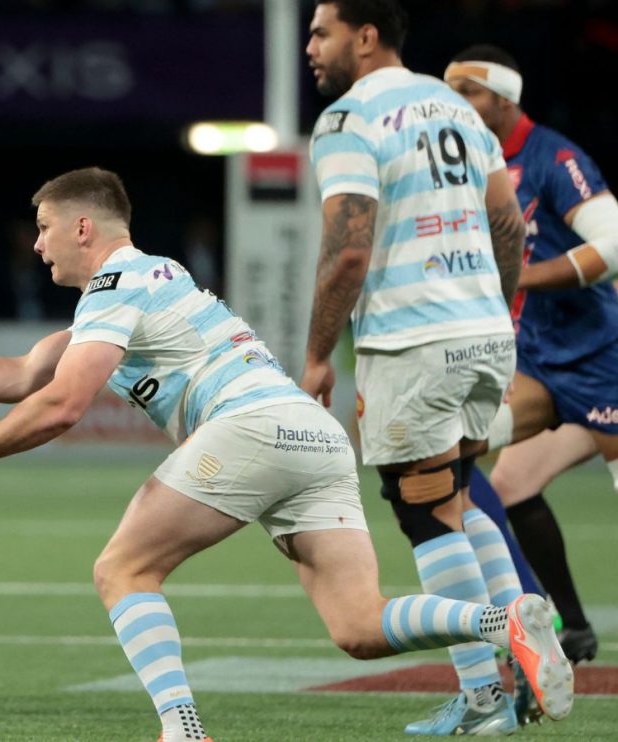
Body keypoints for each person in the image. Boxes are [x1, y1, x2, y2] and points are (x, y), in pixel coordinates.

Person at [0, 166, 572, 742]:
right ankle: (504, 620)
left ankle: (182, 730)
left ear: (82, 227)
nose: (37, 245)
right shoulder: (153, 278)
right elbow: (28, 372)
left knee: (123, 569)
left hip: (248, 427)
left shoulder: (113, 287)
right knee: (359, 626)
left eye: (43, 227)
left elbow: (62, 405)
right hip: (312, 434)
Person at [302, 1, 534, 734]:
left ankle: (484, 697)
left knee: (422, 508)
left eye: (322, 32)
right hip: (484, 332)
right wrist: (492, 308)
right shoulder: (456, 107)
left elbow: (348, 251)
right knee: (459, 494)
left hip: (413, 341)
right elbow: (508, 223)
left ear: (365, 37)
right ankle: (530, 664)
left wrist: (316, 355)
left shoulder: (347, 119)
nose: (311, 46)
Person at [446, 44, 618, 668]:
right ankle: (557, 623)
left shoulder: (555, 157)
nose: (457, 106)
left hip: (603, 358)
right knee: (461, 458)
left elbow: (613, 246)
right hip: (539, 362)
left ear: (504, 98)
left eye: (469, 93)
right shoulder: (471, 167)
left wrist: (520, 279)